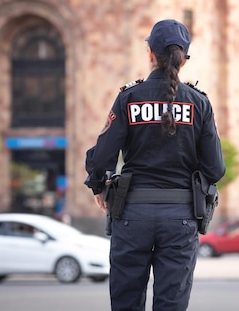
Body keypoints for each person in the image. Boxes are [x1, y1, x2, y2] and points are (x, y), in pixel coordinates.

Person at [84, 19, 226, 311]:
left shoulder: (128, 98)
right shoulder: (199, 103)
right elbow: (215, 169)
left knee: (126, 302)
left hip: (131, 213)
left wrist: (98, 185)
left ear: (149, 52)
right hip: (181, 217)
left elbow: (101, 157)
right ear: (183, 60)